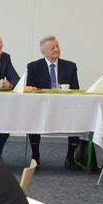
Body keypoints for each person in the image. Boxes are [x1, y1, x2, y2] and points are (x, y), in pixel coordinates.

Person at [24, 35, 82, 169]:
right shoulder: (33, 66)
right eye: (52, 48)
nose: (56, 49)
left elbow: (76, 89)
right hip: (41, 107)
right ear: (43, 51)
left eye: (57, 46)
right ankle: (35, 155)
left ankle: (70, 156)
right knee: (33, 118)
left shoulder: (70, 66)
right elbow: (30, 89)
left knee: (77, 119)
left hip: (65, 107)